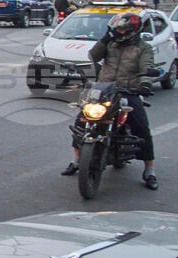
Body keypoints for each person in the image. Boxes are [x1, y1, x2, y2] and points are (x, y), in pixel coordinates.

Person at [62, 12, 157, 189]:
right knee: (81, 122)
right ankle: (76, 160)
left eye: (121, 29)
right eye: (115, 29)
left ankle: (149, 170)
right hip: (104, 90)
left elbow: (148, 67)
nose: (117, 32)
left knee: (142, 128)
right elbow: (93, 56)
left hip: (128, 91)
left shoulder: (143, 48)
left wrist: (145, 84)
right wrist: (105, 39)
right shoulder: (110, 43)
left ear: (131, 31)